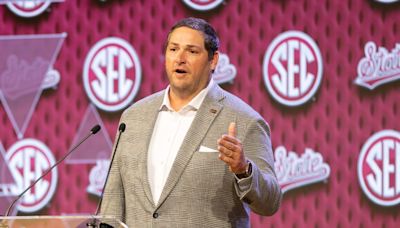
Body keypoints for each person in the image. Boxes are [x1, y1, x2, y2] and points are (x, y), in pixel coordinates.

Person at [100, 17, 282, 227]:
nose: (180, 58)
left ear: (213, 60)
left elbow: (271, 202)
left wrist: (244, 170)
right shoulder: (133, 117)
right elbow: (112, 203)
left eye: (192, 51)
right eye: (173, 49)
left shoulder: (244, 120)